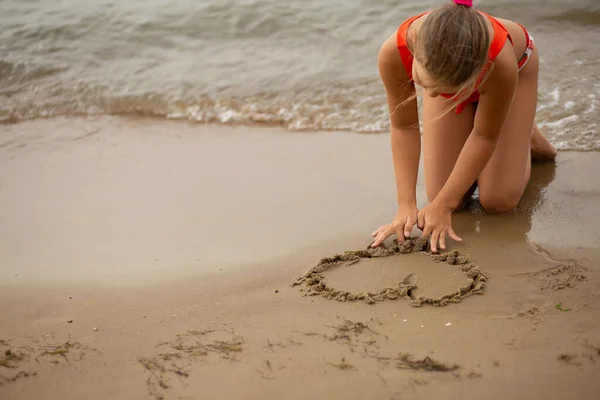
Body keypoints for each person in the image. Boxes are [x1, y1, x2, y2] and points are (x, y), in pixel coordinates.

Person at [370, 0, 557, 253]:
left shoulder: (499, 63)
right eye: (426, 86)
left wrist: (443, 207)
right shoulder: (394, 51)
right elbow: (404, 127)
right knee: (444, 195)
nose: (432, 96)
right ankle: (505, 123)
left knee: (497, 201)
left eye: (439, 89)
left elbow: (483, 136)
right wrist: (406, 204)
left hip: (516, 67)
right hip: (458, 78)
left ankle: (524, 133)